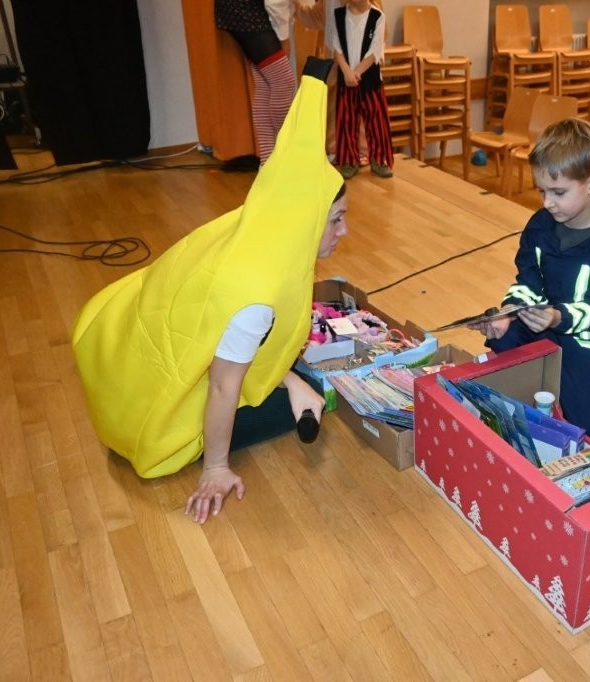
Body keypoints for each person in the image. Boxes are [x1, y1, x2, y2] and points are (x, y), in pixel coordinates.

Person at [72, 59, 345, 524]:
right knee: (317, 390)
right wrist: (216, 468)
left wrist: (287, 377)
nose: (345, 231)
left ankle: (292, 383)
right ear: (305, 219)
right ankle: (215, 441)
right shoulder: (258, 297)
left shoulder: (246, 227)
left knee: (291, 375)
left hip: (117, 365)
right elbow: (223, 383)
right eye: (336, 219)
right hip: (147, 420)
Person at [471, 118, 590, 442]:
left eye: (558, 192)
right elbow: (527, 281)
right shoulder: (539, 225)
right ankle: (536, 381)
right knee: (503, 337)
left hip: (586, 336)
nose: (547, 202)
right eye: (542, 191)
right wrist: (508, 313)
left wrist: (559, 317)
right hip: (541, 323)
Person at [215, 0, 298, 163]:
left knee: (265, 85)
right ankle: (285, 152)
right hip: (247, 12)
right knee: (283, 82)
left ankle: (268, 161)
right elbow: (275, 2)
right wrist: (284, 39)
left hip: (242, 10)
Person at [330, 0, 394, 178]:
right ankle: (349, 161)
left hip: (370, 80)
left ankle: (379, 159)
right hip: (346, 78)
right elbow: (336, 49)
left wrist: (356, 73)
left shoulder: (377, 16)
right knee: (346, 120)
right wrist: (346, 71)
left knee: (376, 119)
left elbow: (375, 52)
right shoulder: (339, 16)